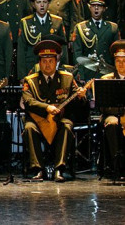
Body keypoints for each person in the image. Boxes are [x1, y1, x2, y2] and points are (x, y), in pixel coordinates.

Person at [22, 40, 87, 182]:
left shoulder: (67, 78)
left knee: (67, 126)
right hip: (38, 120)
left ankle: (59, 169)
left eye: (51, 61)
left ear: (56, 62)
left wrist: (81, 96)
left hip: (60, 119)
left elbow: (79, 104)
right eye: (44, 61)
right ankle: (38, 169)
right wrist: (46, 107)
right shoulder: (30, 80)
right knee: (29, 128)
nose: (48, 65)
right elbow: (28, 101)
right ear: (39, 63)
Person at [98, 40, 125, 176]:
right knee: (113, 123)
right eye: (118, 61)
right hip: (112, 115)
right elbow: (103, 107)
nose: (121, 64)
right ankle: (116, 165)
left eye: (124, 61)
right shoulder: (106, 79)